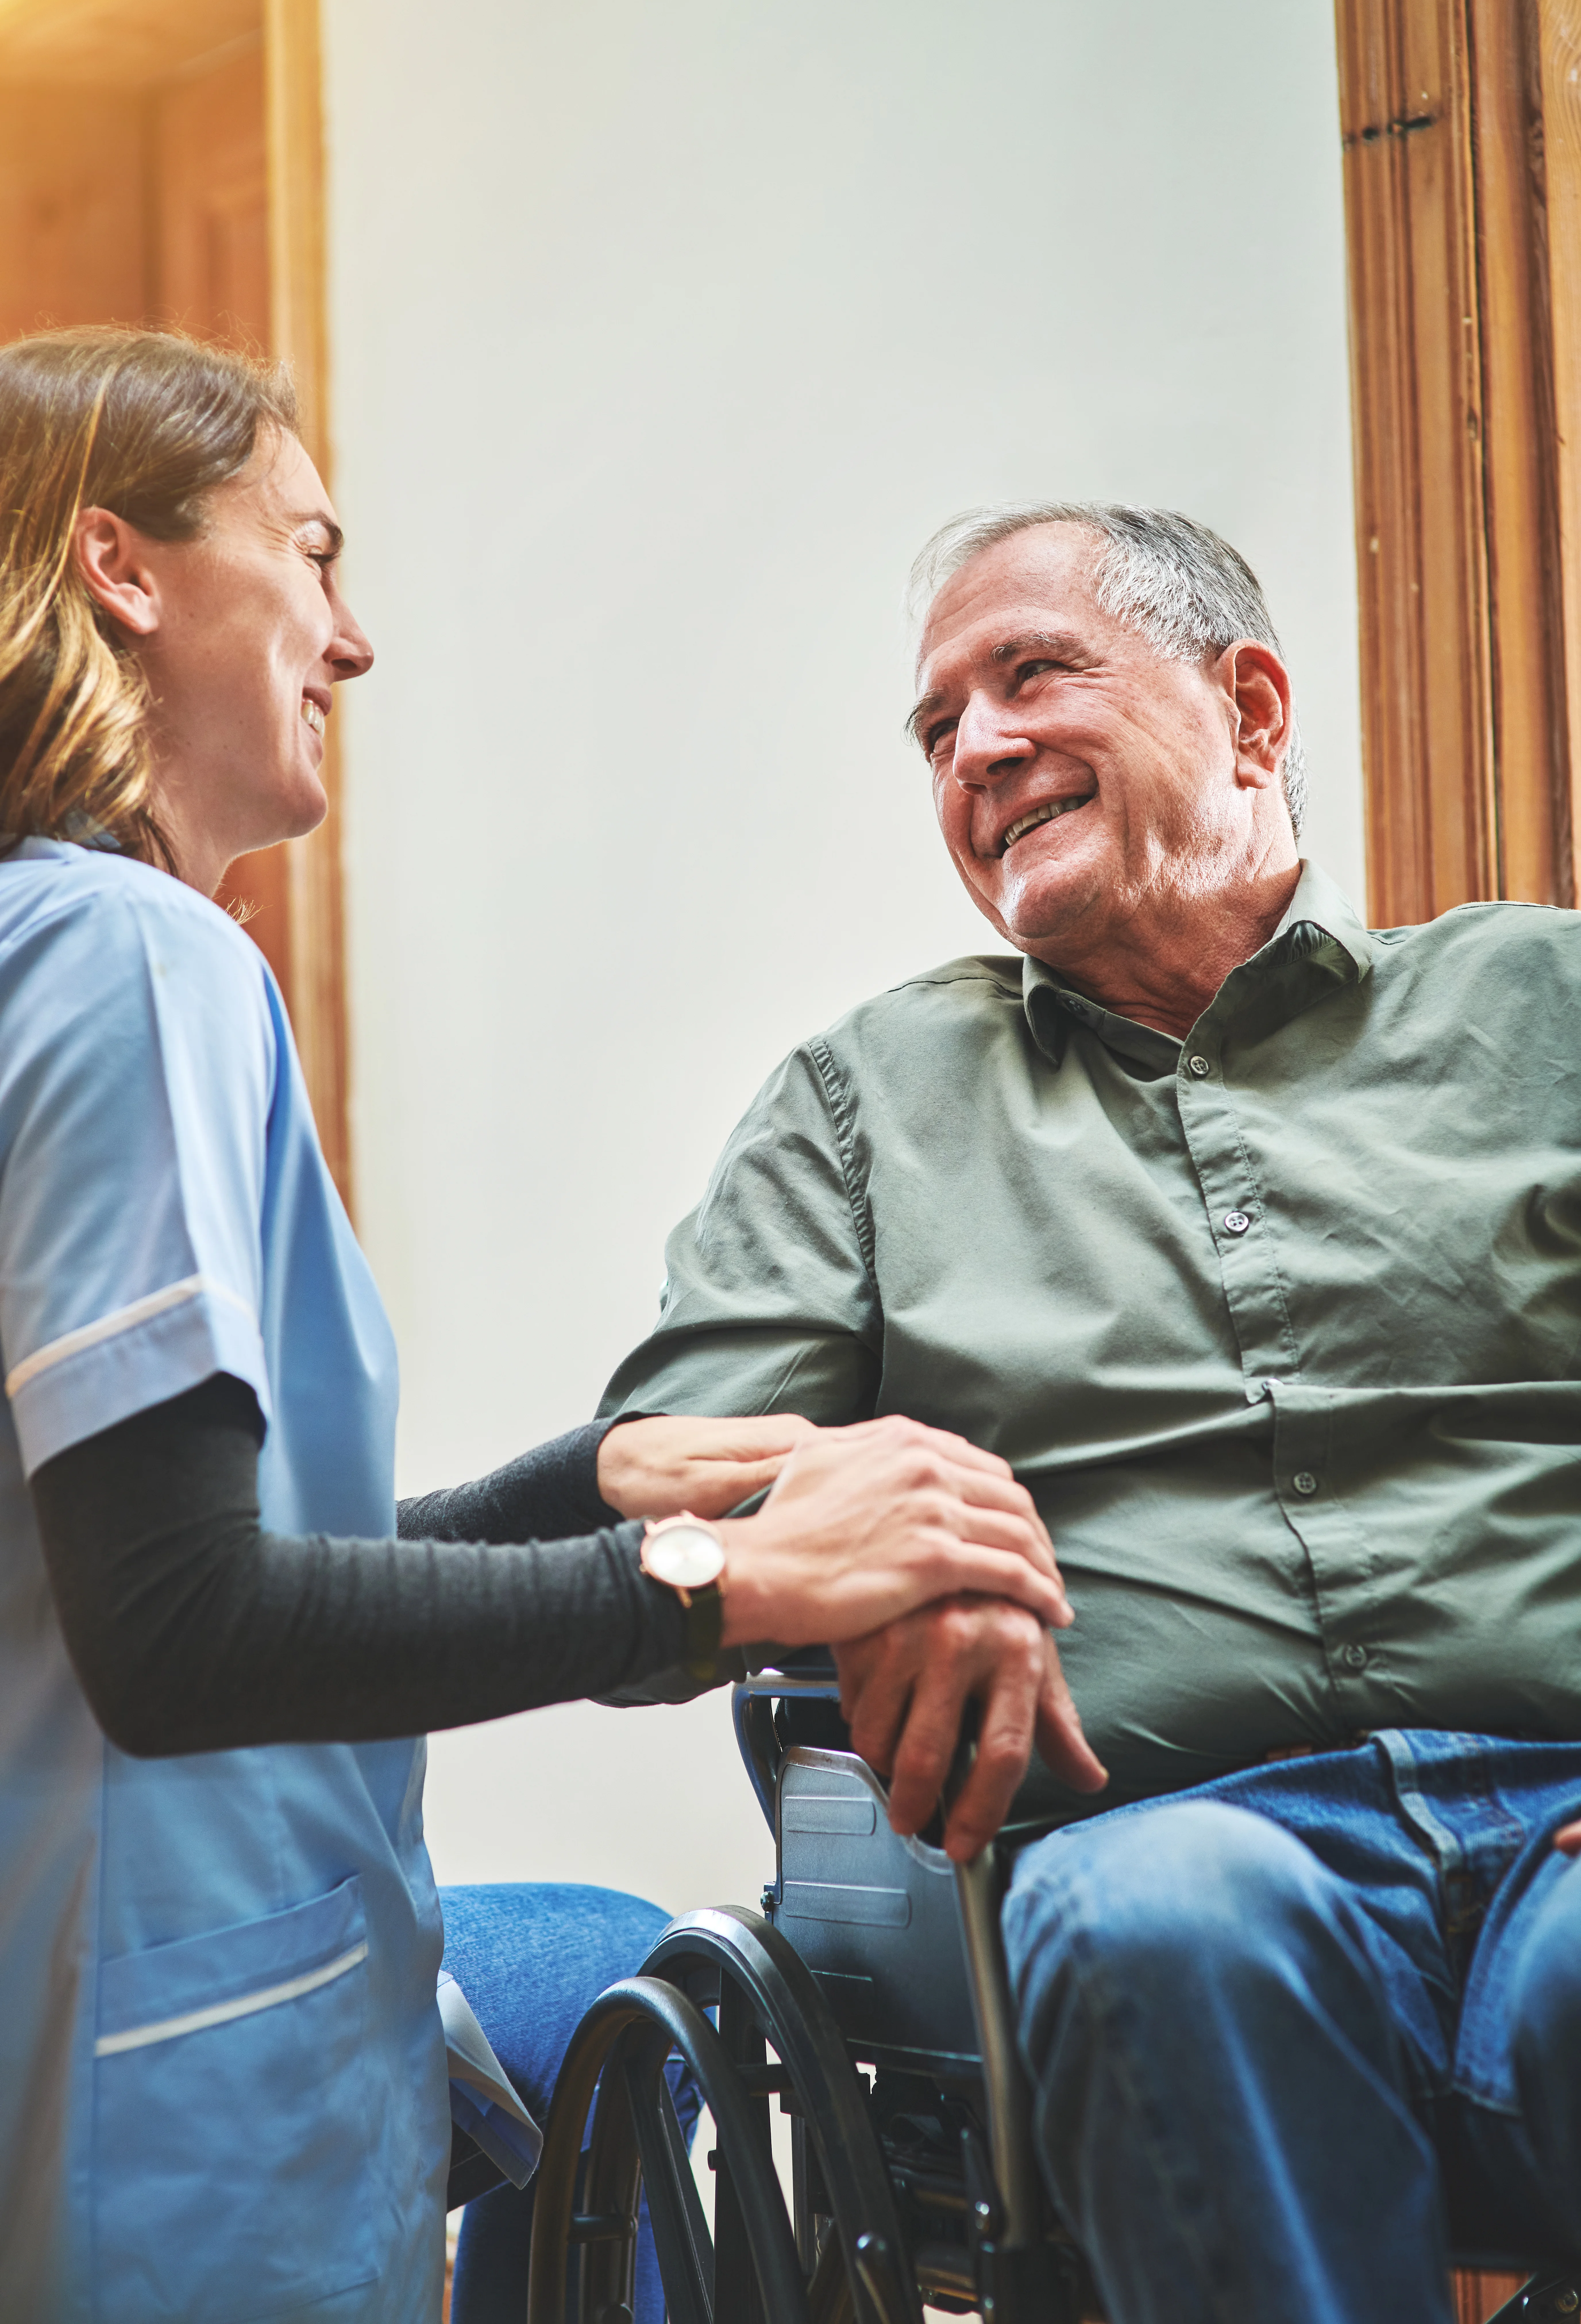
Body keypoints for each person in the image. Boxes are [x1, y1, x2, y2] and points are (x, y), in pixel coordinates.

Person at [0, 330, 1074, 2324]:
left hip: (110, 1973)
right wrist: (712, 1582)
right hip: (154, 2087)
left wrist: (569, 1486)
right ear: (121, 571)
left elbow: (100, 1584)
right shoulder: (133, 957)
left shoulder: (42, 949)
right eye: (311, 554)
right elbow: (176, 1634)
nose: (351, 637)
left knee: (586, 1951)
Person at [600, 500, 1581, 2323]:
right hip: (1189, 1835)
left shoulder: (1542, 1005)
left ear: (1255, 708)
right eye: (938, 730)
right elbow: (659, 1500)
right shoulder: (865, 1106)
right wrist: (895, 1524)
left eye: (1032, 673)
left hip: (1566, 1810)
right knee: (1163, 1930)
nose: (977, 747)